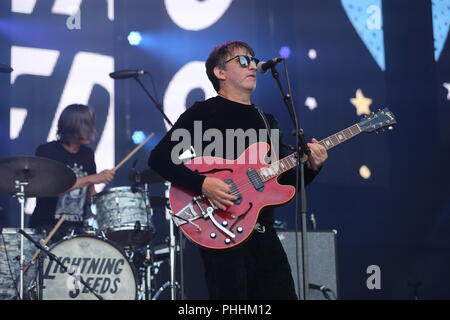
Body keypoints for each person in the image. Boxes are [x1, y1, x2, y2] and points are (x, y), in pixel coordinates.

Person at [148, 41, 328, 299]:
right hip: (221, 229)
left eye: (253, 60)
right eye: (243, 61)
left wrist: (312, 168)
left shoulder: (267, 121)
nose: (252, 65)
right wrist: (203, 185)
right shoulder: (203, 112)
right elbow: (159, 159)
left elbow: (284, 184)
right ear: (220, 73)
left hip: (263, 232)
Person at [29, 104, 115, 241]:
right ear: (72, 128)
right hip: (47, 227)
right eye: (88, 125)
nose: (93, 130)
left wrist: (109, 205)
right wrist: (91, 178)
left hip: (77, 229)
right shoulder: (47, 151)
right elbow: (52, 188)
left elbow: (90, 193)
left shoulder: (87, 154)